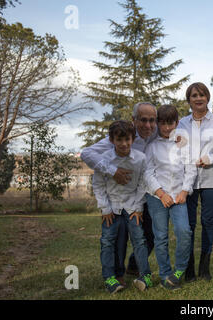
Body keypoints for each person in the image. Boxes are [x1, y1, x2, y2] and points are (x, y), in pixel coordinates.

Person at [80, 102, 157, 283]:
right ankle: (116, 274)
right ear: (134, 120)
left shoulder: (156, 134)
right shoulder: (122, 136)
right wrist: (112, 171)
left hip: (147, 191)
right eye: (143, 120)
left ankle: (135, 266)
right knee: (118, 237)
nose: (148, 125)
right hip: (120, 197)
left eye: (152, 120)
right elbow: (87, 154)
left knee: (151, 234)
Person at [177, 82, 213, 282]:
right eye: (194, 95)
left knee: (208, 222)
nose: (198, 98)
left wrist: (209, 159)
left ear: (208, 97)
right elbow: (177, 150)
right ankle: (189, 268)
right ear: (189, 100)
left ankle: (205, 268)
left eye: (202, 95)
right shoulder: (182, 123)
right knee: (189, 224)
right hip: (188, 182)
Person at [92, 120, 153, 294]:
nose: (124, 144)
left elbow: (143, 183)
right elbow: (98, 185)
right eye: (119, 140)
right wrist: (105, 208)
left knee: (139, 239)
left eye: (127, 139)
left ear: (133, 139)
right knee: (108, 241)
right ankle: (110, 278)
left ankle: (145, 275)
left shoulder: (140, 158)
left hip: (132, 206)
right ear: (112, 140)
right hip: (111, 208)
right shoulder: (104, 160)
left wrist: (138, 207)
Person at [145, 105, 196, 290]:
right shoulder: (152, 146)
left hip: (178, 196)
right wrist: (160, 193)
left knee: (184, 232)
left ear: (177, 122)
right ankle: (165, 274)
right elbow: (148, 172)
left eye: (171, 123)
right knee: (160, 237)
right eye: (163, 123)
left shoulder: (183, 142)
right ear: (158, 123)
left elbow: (190, 168)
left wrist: (185, 190)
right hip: (157, 197)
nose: (167, 128)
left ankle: (178, 271)